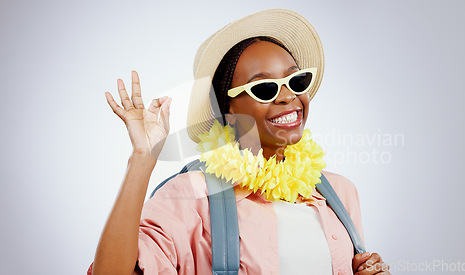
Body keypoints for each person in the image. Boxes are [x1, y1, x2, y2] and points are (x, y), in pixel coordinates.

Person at [89, 8, 390, 275]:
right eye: (264, 88)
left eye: (296, 81)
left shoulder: (340, 193)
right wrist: (142, 158)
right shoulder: (191, 194)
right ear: (229, 111)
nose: (287, 97)